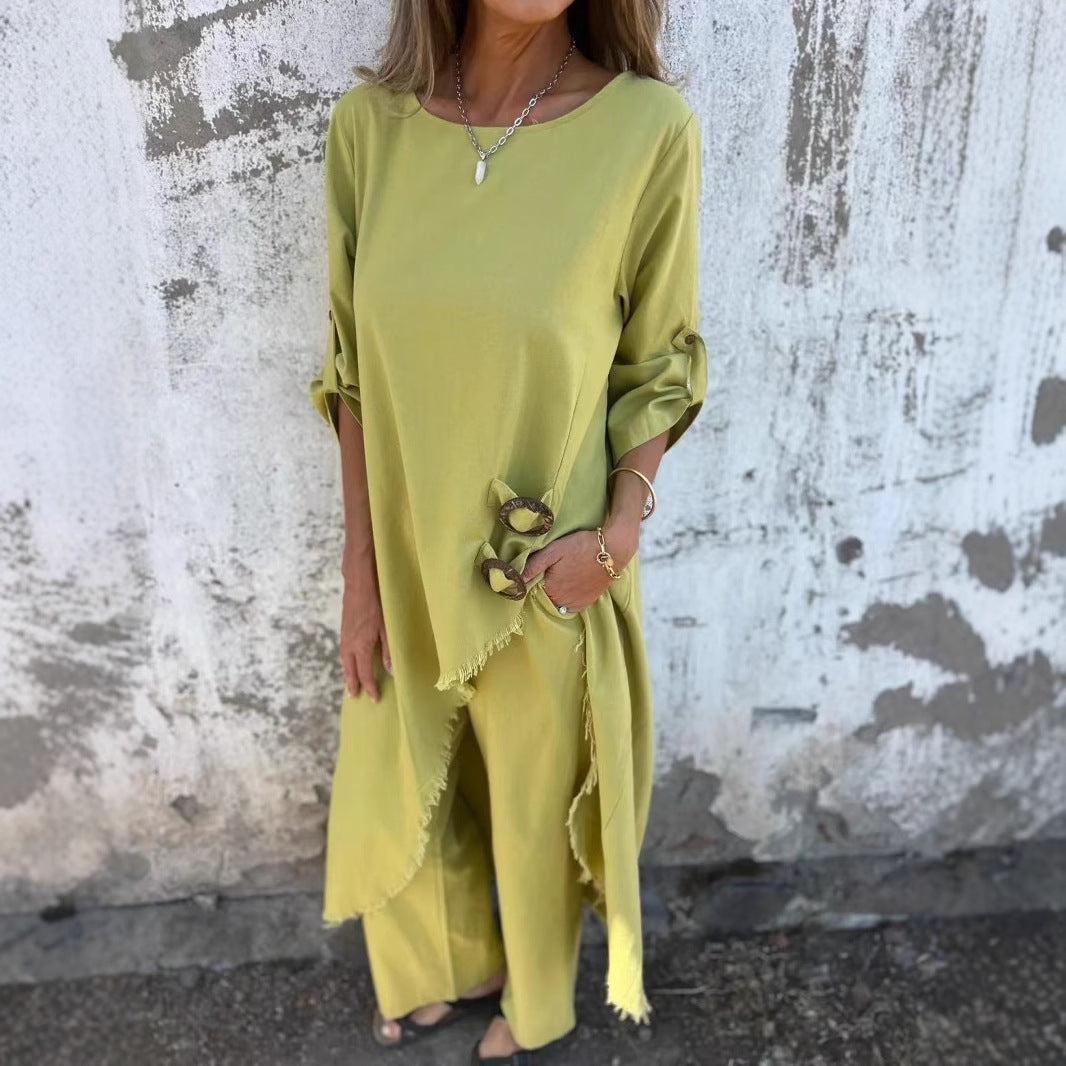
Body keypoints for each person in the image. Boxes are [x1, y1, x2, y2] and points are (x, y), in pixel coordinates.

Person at [307, 1, 707, 1061]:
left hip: (545, 563)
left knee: (534, 807)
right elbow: (351, 372)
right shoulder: (369, 129)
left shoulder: (646, 130)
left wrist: (616, 536)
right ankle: (445, 964)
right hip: (404, 551)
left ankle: (537, 1002)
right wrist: (360, 575)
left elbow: (658, 363)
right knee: (402, 775)